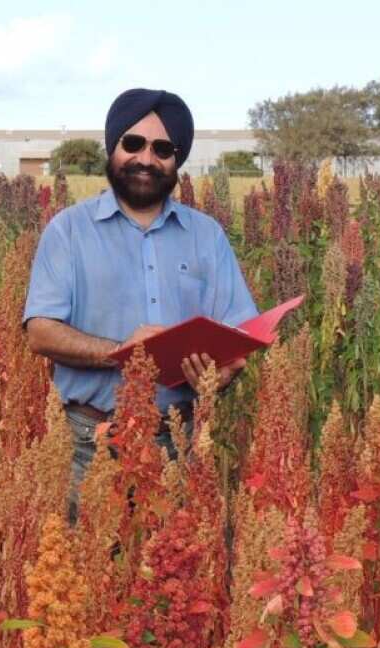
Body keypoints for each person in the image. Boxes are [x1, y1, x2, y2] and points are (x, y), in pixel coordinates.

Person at [22, 88, 259, 515]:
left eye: (163, 149)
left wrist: (216, 376)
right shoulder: (69, 231)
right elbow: (40, 332)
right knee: (83, 575)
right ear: (112, 148)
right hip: (86, 446)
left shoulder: (207, 236)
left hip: (177, 444)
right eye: (133, 144)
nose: (146, 159)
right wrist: (124, 354)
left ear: (177, 161)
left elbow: (240, 337)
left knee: (174, 574)